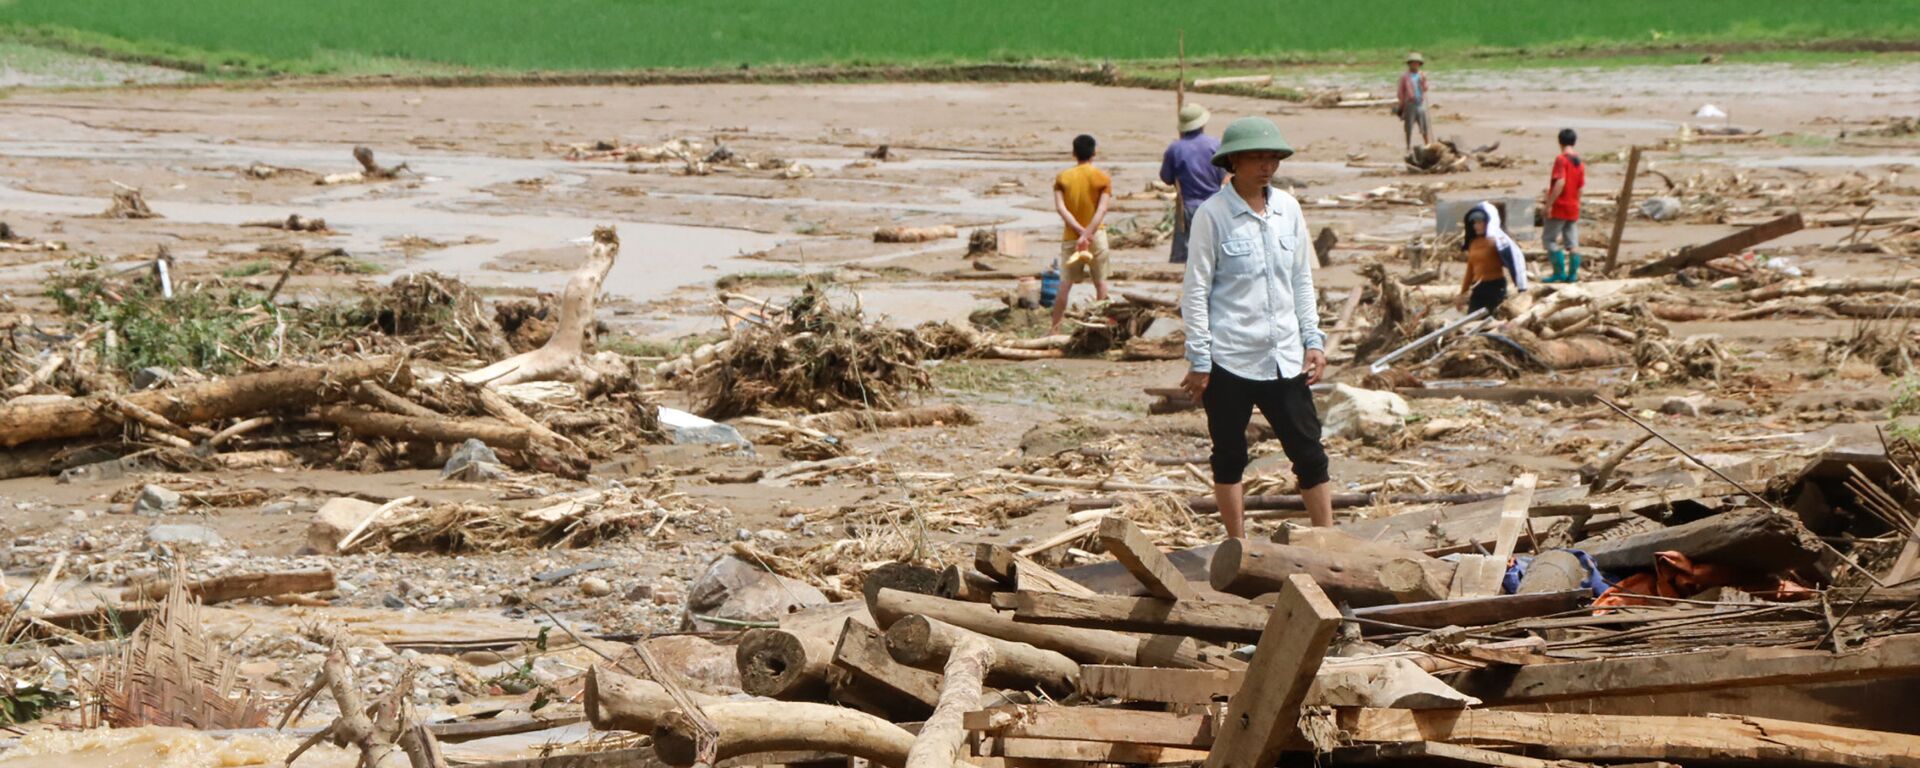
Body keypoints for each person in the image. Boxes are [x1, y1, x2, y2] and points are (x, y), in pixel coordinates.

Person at [1178, 116, 1333, 537]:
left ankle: (1327, 539)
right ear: (1233, 162)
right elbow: (1196, 290)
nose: (1266, 166)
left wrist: (1312, 339)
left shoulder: (1289, 209)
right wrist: (1200, 358)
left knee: (1309, 452)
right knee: (1229, 455)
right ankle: (1237, 545)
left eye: (1272, 158)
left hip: (1284, 356)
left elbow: (1301, 279)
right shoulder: (1213, 215)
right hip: (1229, 357)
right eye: (1256, 158)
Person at [1051, 134, 1112, 333]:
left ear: (1074, 153)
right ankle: (1101, 327)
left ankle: (1055, 329)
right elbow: (1101, 210)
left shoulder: (1063, 178)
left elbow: (1061, 208)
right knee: (1101, 284)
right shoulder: (1102, 178)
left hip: (1071, 238)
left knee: (1064, 286)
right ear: (1094, 153)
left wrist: (1079, 232)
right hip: (1096, 236)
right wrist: (1088, 233)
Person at [1159, 103, 1227, 264]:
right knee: (1213, 250)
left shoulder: (1175, 148)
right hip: (1214, 203)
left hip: (1187, 206)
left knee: (1191, 255)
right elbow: (1223, 176)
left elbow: (1166, 177)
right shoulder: (1215, 145)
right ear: (1202, 124)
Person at [1454, 202, 1528, 316]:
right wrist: (1462, 293)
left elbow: (1516, 259)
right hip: (1478, 288)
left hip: (1495, 287)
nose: (1476, 226)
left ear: (1487, 223)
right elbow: (1470, 270)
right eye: (1474, 223)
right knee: (1472, 319)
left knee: (1494, 318)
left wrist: (1522, 287)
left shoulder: (1497, 242)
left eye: (1479, 222)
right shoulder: (1473, 243)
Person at [1542, 128, 1586, 283]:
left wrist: (1549, 204)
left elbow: (1560, 182)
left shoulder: (1561, 159)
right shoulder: (1579, 162)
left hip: (1560, 205)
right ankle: (1573, 275)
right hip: (1573, 205)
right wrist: (1577, 202)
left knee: (1549, 239)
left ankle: (1559, 272)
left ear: (1559, 141)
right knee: (1572, 242)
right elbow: (1580, 187)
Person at [1395, 52, 1432, 152]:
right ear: (1409, 64)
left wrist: (1424, 81)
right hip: (1409, 104)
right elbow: (1400, 92)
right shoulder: (1405, 77)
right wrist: (1402, 104)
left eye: (1417, 63)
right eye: (1413, 63)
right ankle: (1408, 146)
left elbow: (1425, 88)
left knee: (1424, 125)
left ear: (1419, 64)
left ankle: (1427, 144)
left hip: (1420, 103)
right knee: (1409, 126)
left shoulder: (1421, 75)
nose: (1415, 65)